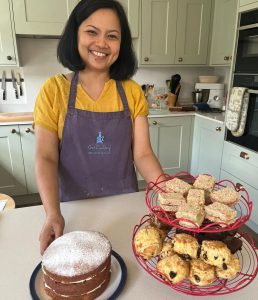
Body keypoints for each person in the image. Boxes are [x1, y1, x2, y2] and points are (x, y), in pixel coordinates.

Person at [34, 0, 163, 255]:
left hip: (124, 205)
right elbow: (46, 157)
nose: (102, 43)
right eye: (92, 31)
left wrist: (168, 194)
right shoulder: (53, 90)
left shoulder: (131, 91)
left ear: (121, 45)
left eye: (112, 36)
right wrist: (52, 213)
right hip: (72, 210)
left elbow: (143, 154)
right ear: (75, 34)